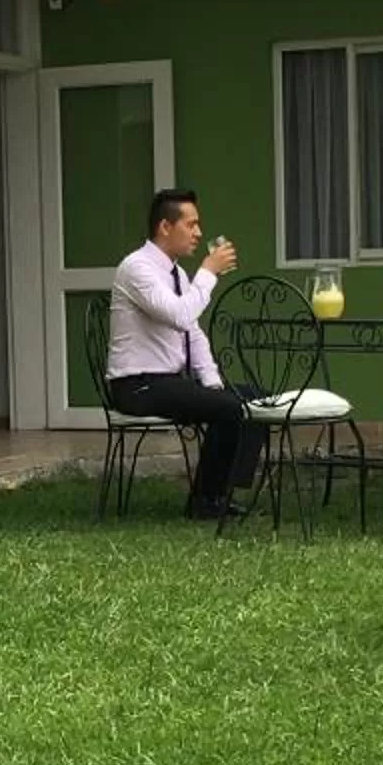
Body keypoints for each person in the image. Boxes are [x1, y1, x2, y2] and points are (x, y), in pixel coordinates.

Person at [106, 186, 256, 520]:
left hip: (169, 381)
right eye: (191, 225)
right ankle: (206, 500)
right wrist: (209, 273)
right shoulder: (137, 268)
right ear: (165, 227)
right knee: (230, 409)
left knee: (253, 398)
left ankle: (223, 490)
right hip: (137, 385)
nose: (198, 233)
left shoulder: (177, 273)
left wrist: (212, 381)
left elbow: (193, 331)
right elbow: (179, 315)